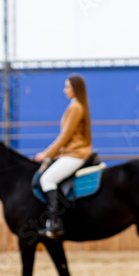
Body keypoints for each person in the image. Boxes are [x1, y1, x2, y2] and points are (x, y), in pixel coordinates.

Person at [34, 74, 93, 238]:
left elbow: (65, 136)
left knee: (47, 179)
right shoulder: (77, 105)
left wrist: (47, 154)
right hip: (72, 152)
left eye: (67, 87)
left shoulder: (75, 107)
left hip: (75, 154)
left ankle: (54, 223)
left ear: (75, 89)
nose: (64, 90)